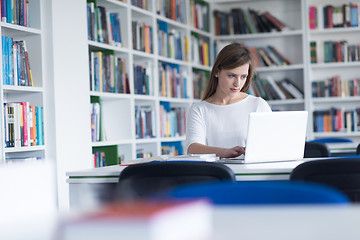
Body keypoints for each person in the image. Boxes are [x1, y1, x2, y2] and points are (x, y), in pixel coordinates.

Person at [185, 43, 272, 158]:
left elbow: (272, 145)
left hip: (251, 173)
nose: (238, 83)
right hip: (216, 173)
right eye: (231, 75)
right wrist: (223, 152)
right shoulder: (199, 109)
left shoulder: (258, 105)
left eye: (243, 77)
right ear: (217, 72)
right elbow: (193, 148)